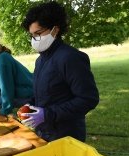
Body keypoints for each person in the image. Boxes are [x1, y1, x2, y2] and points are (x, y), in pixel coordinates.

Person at [20, 1, 99, 142]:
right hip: (44, 131)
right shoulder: (40, 60)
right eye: (32, 35)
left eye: (38, 33)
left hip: (66, 135)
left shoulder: (71, 57)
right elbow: (47, 93)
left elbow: (88, 99)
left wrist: (48, 114)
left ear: (55, 30)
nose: (34, 39)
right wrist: (30, 105)